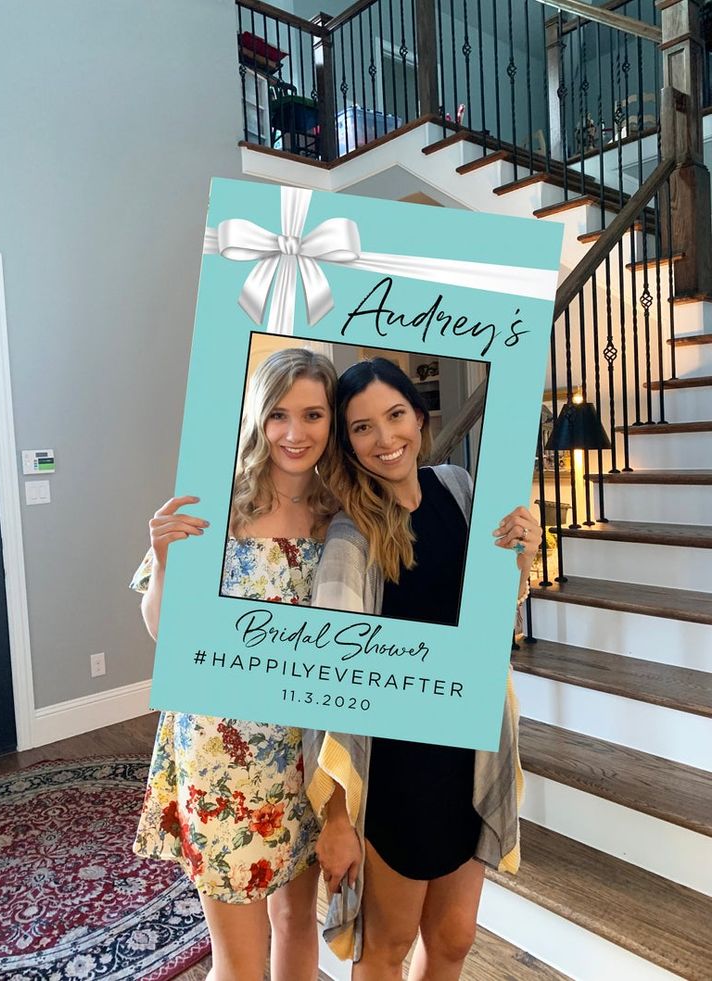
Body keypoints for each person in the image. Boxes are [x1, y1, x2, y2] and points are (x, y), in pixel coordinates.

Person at [303, 357, 541, 981]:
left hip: (467, 748)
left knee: (456, 937)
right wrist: (334, 818)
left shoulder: (458, 488)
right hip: (397, 765)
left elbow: (494, 616)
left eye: (396, 415)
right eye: (362, 428)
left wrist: (522, 553)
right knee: (388, 944)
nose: (385, 439)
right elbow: (327, 679)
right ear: (347, 444)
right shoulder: (352, 535)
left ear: (420, 415)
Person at [130, 347, 339, 981]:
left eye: (312, 414)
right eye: (278, 415)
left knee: (298, 925)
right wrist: (164, 564)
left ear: (332, 422)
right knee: (240, 960)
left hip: (305, 756)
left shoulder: (343, 518)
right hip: (221, 755)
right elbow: (166, 633)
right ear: (258, 418)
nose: (294, 433)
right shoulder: (213, 507)